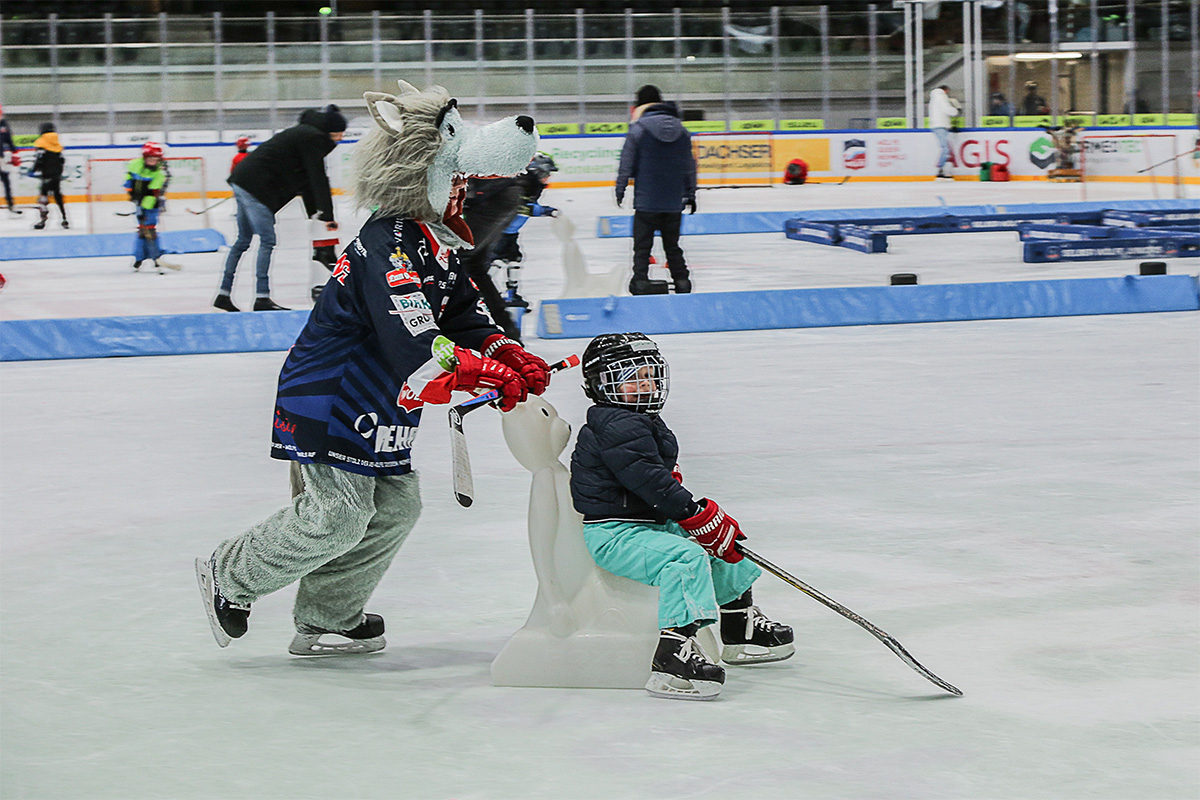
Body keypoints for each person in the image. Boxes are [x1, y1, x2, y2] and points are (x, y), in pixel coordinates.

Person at [195, 81, 547, 659]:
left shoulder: (435, 241)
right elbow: (412, 334)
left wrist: (503, 349)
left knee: (396, 507)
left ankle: (329, 616)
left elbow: (459, 309)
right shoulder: (388, 241)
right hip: (332, 394)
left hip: (382, 401)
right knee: (337, 515)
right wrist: (481, 371)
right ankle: (229, 574)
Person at [569, 332, 794, 700]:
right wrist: (692, 513)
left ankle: (739, 625)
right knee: (685, 557)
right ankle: (672, 657)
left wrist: (699, 522)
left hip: (647, 524)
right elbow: (650, 481)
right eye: (631, 377)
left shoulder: (639, 419)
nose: (645, 384)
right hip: (615, 534)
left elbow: (656, 486)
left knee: (722, 545)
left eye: (649, 374)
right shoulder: (614, 425)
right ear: (600, 385)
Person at [214, 104, 345, 313]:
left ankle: (223, 294)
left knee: (243, 240)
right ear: (329, 132)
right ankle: (262, 298)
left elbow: (306, 183)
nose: (340, 139)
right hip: (256, 188)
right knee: (267, 240)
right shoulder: (312, 139)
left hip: (244, 181)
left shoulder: (302, 135)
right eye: (339, 134)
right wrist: (327, 215)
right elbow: (317, 178)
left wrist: (318, 215)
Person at [460, 152, 558, 342]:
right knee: (475, 265)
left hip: (494, 210)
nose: (548, 180)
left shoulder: (516, 185)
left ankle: (487, 320)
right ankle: (506, 328)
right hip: (497, 213)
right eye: (546, 174)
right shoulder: (519, 184)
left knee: (466, 262)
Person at [616, 85, 698, 295]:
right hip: (673, 201)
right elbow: (689, 165)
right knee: (673, 245)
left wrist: (621, 187)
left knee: (642, 247)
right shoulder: (682, 131)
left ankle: (641, 281)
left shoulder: (638, 129)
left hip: (646, 201)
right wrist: (690, 193)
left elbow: (627, 162)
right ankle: (682, 281)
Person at [124, 142, 173, 272]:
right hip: (138, 200)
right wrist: (132, 194)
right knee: (141, 231)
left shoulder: (159, 172)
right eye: (149, 158)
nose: (152, 161)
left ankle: (156, 257)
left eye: (155, 159)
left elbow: (153, 193)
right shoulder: (135, 165)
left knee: (150, 229)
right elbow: (129, 180)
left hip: (151, 202)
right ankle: (139, 258)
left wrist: (144, 209)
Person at [29, 122, 68, 230]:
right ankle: (64, 218)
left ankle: (43, 220)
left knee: (43, 197)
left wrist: (33, 170)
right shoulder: (57, 143)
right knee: (57, 196)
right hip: (56, 175)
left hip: (46, 174)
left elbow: (40, 160)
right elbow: (61, 160)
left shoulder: (41, 142)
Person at [928, 85, 960, 180]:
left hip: (939, 125)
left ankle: (942, 170)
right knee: (945, 148)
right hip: (940, 126)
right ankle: (940, 170)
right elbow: (947, 109)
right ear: (945, 90)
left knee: (945, 148)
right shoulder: (941, 97)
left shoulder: (935, 98)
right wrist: (956, 111)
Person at [0, 105, 21, 215]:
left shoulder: (3, 125)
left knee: (6, 180)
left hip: (1, 158)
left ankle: (10, 203)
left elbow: (8, 139)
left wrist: (15, 153)